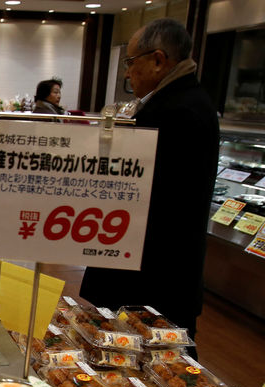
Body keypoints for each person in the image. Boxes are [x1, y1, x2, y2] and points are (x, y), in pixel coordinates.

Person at [79, 18, 219, 356]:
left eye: (130, 62)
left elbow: (148, 198)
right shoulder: (178, 101)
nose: (127, 73)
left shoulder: (179, 111)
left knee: (158, 362)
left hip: (153, 276)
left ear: (158, 60)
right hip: (154, 270)